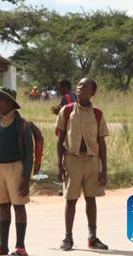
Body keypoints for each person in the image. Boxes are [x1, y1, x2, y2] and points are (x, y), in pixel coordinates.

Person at [55, 77, 110, 251]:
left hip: (92, 159)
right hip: (72, 159)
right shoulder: (67, 111)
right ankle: (68, 237)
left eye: (84, 86)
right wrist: (59, 165)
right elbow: (60, 140)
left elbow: (101, 143)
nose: (79, 87)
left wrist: (104, 169)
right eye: (79, 85)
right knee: (71, 199)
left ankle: (92, 237)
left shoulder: (97, 113)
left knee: (91, 198)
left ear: (92, 92)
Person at [0, 86, 34, 256]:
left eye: (1, 101)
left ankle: (20, 247)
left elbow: (30, 154)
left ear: (11, 103)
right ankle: (2, 245)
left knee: (18, 206)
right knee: (3, 206)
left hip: (16, 168)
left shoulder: (22, 124)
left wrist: (26, 178)